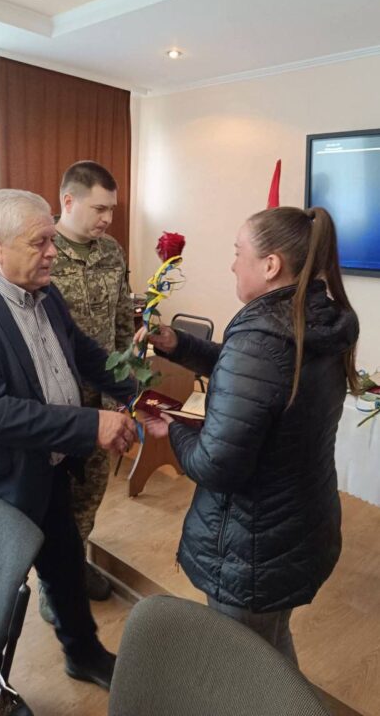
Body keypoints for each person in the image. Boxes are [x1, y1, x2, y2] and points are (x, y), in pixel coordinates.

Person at [0, 189, 138, 691]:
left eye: (51, 239)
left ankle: (83, 653)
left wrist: (140, 393)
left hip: (49, 466)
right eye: (39, 242)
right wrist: (91, 424)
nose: (52, 252)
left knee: (64, 566)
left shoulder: (46, 295)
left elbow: (86, 354)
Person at [139, 206, 359, 663]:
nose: (233, 264)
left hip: (252, 546)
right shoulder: (315, 319)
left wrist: (172, 430)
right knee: (270, 648)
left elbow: (215, 467)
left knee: (242, 668)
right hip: (298, 524)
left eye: (239, 252)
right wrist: (180, 344)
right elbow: (255, 377)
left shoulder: (262, 339)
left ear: (271, 264)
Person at [41, 160, 134, 610]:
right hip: (56, 398)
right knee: (52, 492)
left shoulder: (112, 251)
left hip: (102, 395)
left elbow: (122, 322)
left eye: (112, 209)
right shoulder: (41, 250)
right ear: (68, 201)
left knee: (92, 490)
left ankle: (71, 565)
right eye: (100, 208)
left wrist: (124, 393)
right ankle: (52, 582)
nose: (108, 218)